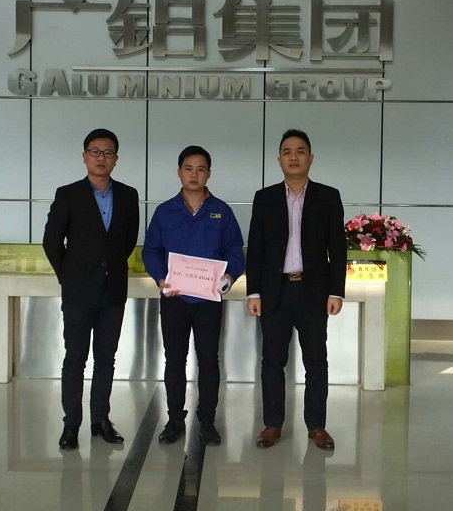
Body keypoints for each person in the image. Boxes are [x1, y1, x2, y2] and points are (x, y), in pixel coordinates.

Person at [246, 129, 346, 451]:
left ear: (310, 158)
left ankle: (317, 426)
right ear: (279, 159)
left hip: (313, 292)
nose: (293, 157)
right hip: (274, 292)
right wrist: (253, 292)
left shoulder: (328, 197)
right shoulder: (264, 198)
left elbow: (338, 248)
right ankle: (272, 424)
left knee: (316, 361)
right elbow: (256, 248)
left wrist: (336, 291)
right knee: (272, 361)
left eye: (300, 151)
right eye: (287, 152)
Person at [42, 128, 140, 450]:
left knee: (106, 359)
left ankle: (101, 420)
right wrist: (68, 276)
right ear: (84, 156)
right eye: (95, 152)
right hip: (78, 293)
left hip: (113, 292)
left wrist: (108, 268)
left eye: (108, 153)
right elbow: (52, 241)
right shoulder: (68, 194)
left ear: (116, 159)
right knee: (75, 359)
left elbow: (127, 241)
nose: (101, 158)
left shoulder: (128, 196)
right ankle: (71, 424)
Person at [142, 145, 245, 446]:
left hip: (208, 301)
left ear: (208, 174)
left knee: (209, 360)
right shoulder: (165, 211)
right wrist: (160, 278)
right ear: (179, 172)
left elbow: (235, 251)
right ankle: (175, 419)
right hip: (174, 298)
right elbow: (151, 250)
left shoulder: (222, 211)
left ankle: (207, 421)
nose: (194, 175)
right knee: (174, 359)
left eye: (200, 169)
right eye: (188, 168)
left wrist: (228, 277)